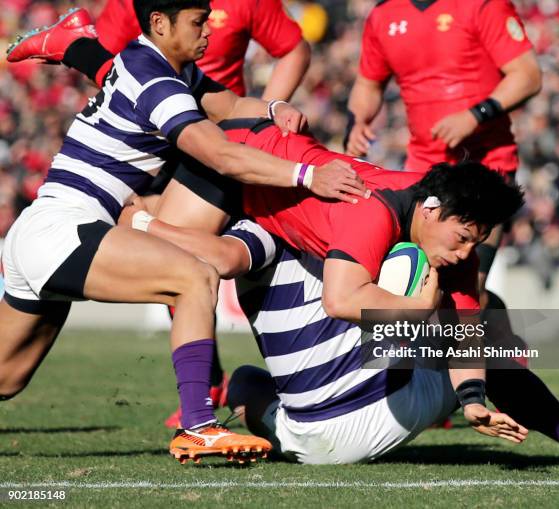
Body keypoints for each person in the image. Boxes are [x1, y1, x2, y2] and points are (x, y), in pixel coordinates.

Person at [117, 119, 559, 466]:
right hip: (236, 151)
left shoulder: (429, 225)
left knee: (246, 371)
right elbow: (340, 300)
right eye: (463, 239)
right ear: (432, 210)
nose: (465, 255)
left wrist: (474, 397)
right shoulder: (369, 211)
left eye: (475, 244)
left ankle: (202, 414)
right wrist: (419, 313)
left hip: (307, 438)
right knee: (500, 335)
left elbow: (463, 335)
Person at [0, 0, 366, 464]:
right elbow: (219, 154)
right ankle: (199, 426)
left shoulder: (160, 66)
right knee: (194, 277)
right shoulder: (157, 83)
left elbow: (230, 105)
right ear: (159, 23)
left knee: (6, 379)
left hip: (47, 229)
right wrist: (308, 176)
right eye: (197, 22)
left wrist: (273, 106)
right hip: (64, 229)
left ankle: (198, 424)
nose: (208, 32)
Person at [344, 0, 542, 301]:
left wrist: (474, 115)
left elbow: (528, 75)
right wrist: (357, 122)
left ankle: (503, 346)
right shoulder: (384, 15)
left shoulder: (482, 5)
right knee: (420, 285)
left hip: (485, 169)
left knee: (470, 289)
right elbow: (367, 85)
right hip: (423, 169)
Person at [7, 0, 310, 100]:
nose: (206, 32)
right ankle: (72, 44)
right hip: (155, 126)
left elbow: (294, 50)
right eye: (198, 23)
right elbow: (106, 66)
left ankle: (71, 43)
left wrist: (263, 116)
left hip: (218, 121)